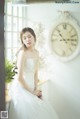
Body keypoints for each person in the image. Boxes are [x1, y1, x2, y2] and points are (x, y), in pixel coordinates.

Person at [8, 27, 59, 119]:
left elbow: (35, 72)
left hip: (32, 87)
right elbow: (19, 78)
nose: (27, 39)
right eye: (24, 38)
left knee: (43, 108)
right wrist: (32, 92)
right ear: (22, 41)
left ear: (34, 37)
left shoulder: (36, 53)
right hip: (22, 88)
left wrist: (36, 88)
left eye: (29, 36)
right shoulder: (22, 53)